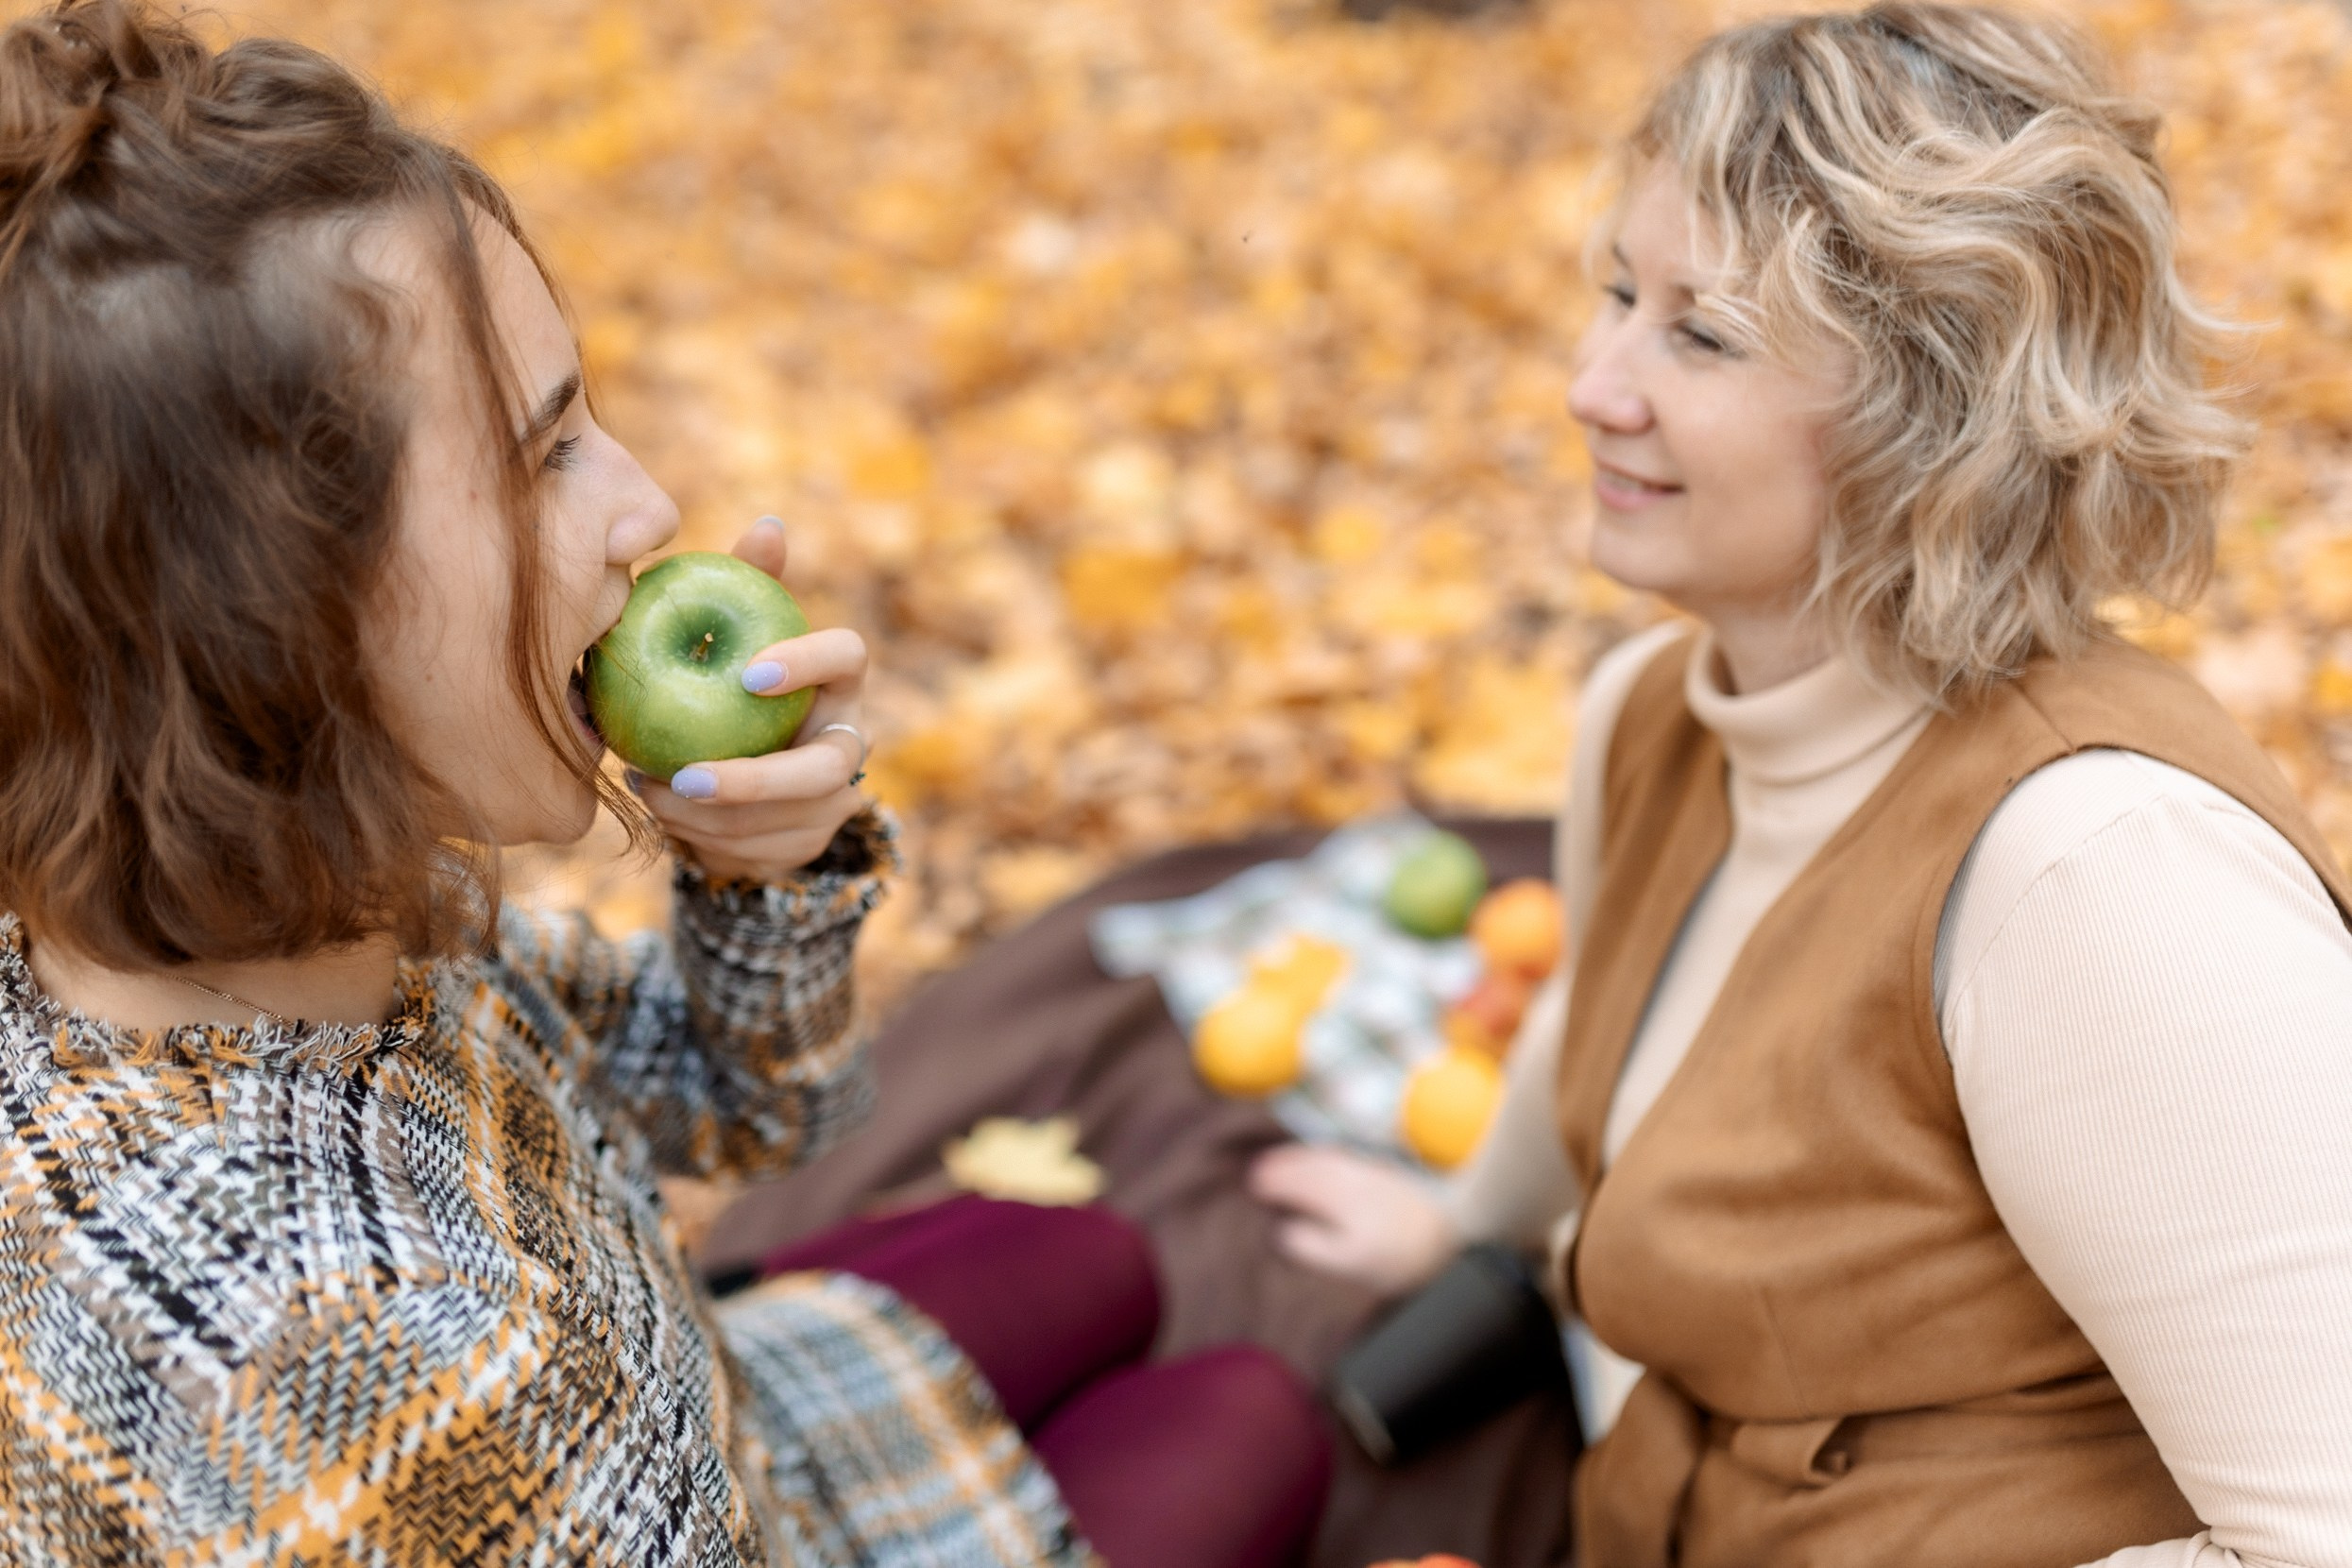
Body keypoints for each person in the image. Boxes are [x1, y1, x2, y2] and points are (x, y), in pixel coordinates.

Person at [0, 2, 1328, 1562]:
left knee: (1099, 1254)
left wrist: (761, 873)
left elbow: (747, 1102)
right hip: (671, 1496)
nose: (650, 506)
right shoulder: (378, 1358)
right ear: (264, 625)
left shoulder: (257, 922)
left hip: (694, 1402)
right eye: (542, 457)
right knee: (1256, 1412)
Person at [1244, 5, 2352, 1566]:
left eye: (1697, 334)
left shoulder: (2097, 877)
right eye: (1616, 294)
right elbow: (1617, 1017)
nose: (1589, 383)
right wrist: (1453, 1225)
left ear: (1933, 419)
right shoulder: (1654, 715)